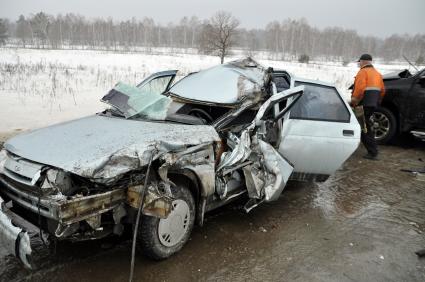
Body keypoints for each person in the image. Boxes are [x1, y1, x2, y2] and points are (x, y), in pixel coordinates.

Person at [351, 54, 385, 160]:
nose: (359, 64)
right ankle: (373, 149)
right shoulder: (378, 74)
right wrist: (377, 101)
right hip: (372, 104)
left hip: (363, 104)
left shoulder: (363, 72)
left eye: (359, 62)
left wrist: (354, 101)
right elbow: (383, 90)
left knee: (363, 127)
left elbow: (360, 89)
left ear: (363, 62)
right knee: (366, 126)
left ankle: (372, 152)